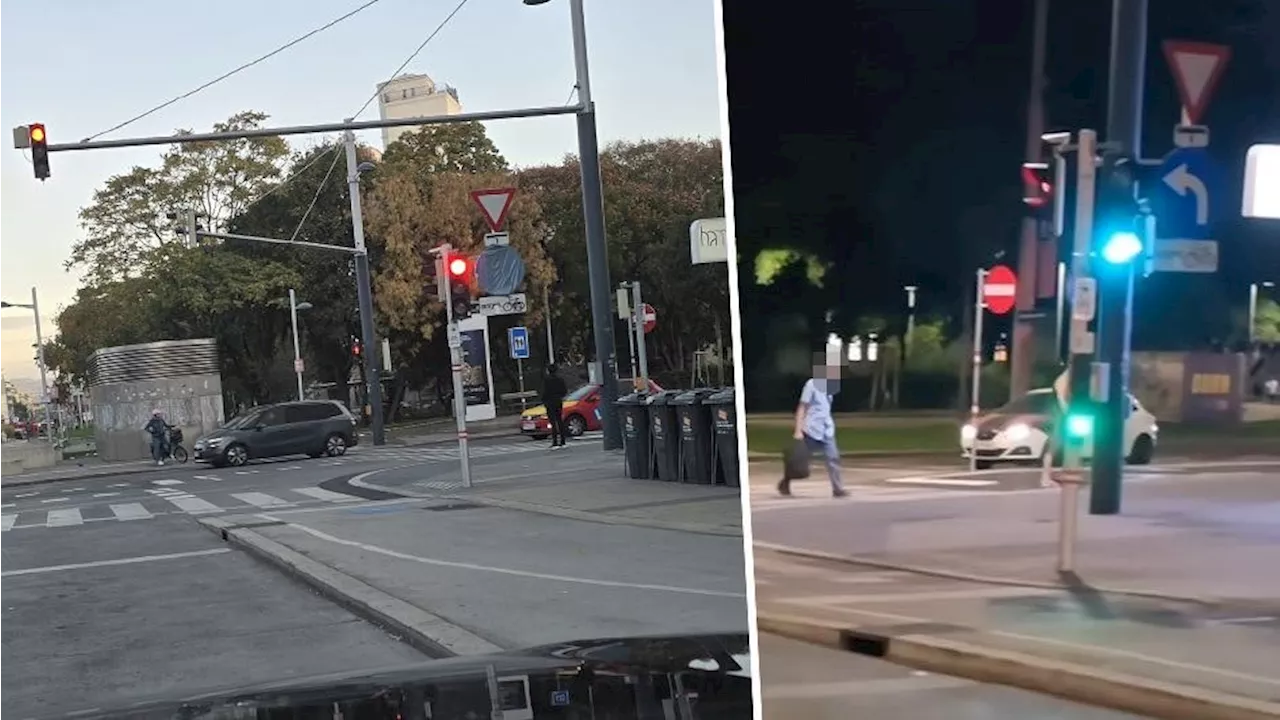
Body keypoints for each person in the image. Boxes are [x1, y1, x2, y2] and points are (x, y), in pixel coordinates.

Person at [778, 355, 849, 498]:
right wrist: (798, 430)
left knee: (833, 457)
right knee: (798, 460)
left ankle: (837, 489)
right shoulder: (811, 385)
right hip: (811, 430)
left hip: (826, 430)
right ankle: (785, 482)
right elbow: (802, 407)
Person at [542, 363, 569, 449]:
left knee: (552, 422)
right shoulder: (560, 379)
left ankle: (555, 441)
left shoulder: (547, 380)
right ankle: (563, 440)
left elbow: (544, 391)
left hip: (549, 402)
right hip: (558, 401)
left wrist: (544, 400)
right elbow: (564, 391)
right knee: (559, 420)